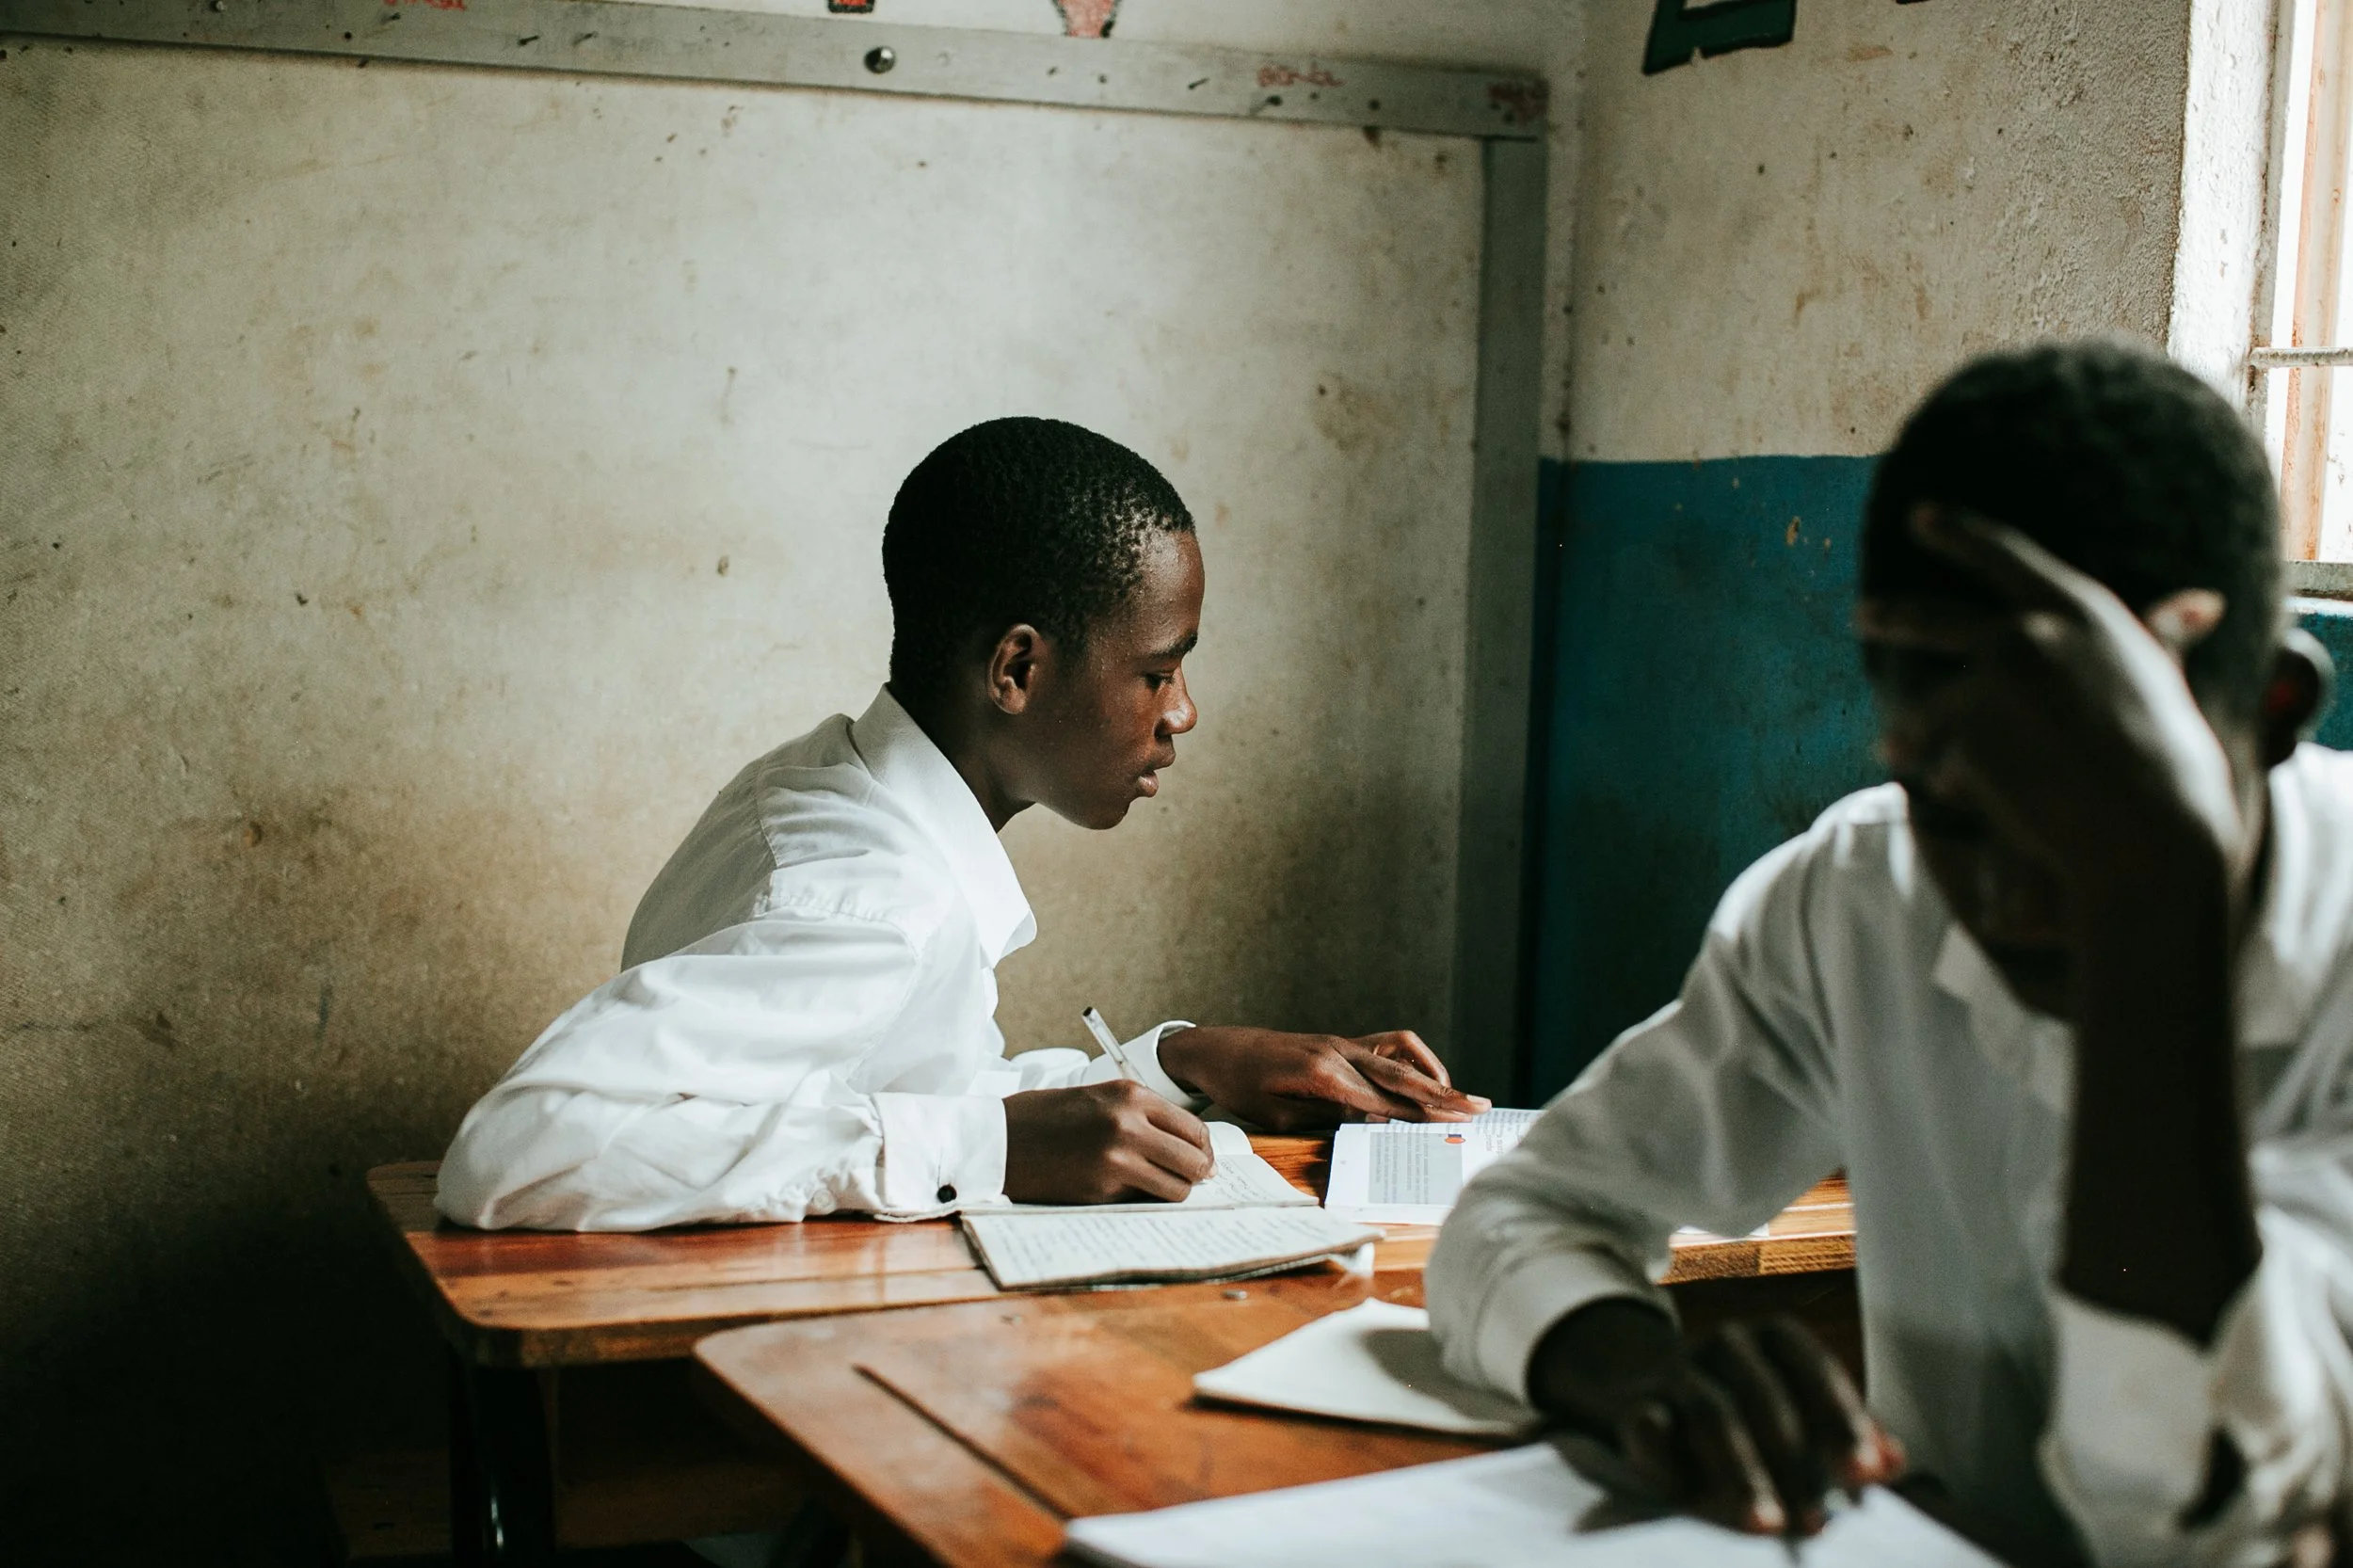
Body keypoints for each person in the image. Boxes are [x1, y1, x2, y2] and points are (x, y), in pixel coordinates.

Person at [1428, 340, 2353, 1565]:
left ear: (2279, 710)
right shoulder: (1866, 894)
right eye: (1953, 805)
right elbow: (1519, 1218)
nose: (2012, 890)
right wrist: (1644, 1376)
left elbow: (2184, 1506)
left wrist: (2152, 939)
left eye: (2102, 809)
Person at [439, 416, 1483, 1231]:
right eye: (1157, 671)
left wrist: (1188, 1059)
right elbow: (518, 1150)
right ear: (1017, 668)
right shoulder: (871, 897)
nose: (1182, 713)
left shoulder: (833, 785)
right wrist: (980, 1149)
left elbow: (876, 1090)